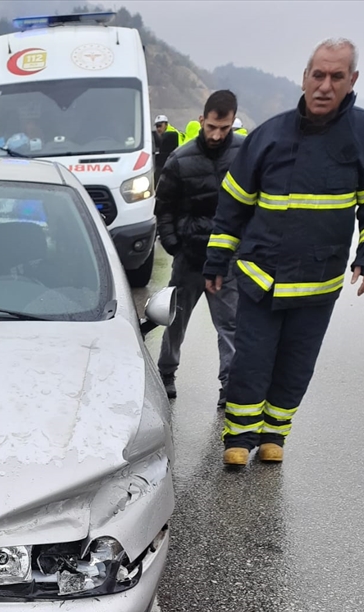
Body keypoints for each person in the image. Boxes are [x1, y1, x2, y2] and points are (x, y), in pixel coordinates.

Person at [203, 38, 364, 465]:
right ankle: (238, 439)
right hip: (262, 277)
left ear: (352, 81)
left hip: (319, 281)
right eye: (318, 75)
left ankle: (275, 435)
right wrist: (216, 260)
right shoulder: (268, 136)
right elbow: (232, 206)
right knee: (251, 361)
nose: (325, 86)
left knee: (297, 365)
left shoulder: (363, 135)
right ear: (304, 77)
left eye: (336, 77)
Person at [155, 90, 242, 405]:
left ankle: (230, 386)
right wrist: (175, 246)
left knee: (230, 326)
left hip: (228, 259)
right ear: (202, 120)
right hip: (190, 258)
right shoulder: (180, 159)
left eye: (225, 128)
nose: (217, 135)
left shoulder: (245, 155)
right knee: (174, 320)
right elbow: (163, 208)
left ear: (232, 123)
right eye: (212, 127)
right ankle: (166, 373)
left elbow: (257, 204)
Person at [153, 115, 180, 184]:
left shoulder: (169, 135)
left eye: (160, 126)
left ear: (166, 125)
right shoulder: (165, 134)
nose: (158, 128)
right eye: (157, 126)